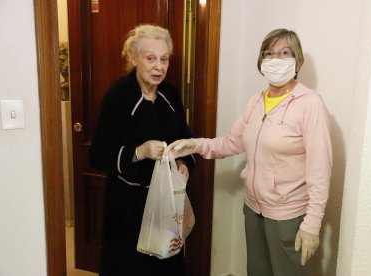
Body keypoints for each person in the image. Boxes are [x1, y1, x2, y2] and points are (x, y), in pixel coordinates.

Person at [168, 28, 332, 276]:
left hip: (288, 216)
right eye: (269, 53)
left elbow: (320, 169)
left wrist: (312, 223)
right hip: (253, 209)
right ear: (261, 61)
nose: (275, 59)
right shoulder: (256, 101)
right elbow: (233, 142)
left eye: (284, 52)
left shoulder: (310, 104)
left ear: (296, 60)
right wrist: (195, 144)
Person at [88, 24, 195, 276]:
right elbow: (97, 155)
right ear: (133, 58)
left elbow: (186, 139)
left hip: (166, 202)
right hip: (127, 206)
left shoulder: (170, 94)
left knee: (167, 265)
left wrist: (185, 164)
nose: (159, 66)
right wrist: (138, 152)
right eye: (150, 58)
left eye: (164, 59)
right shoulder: (118, 97)